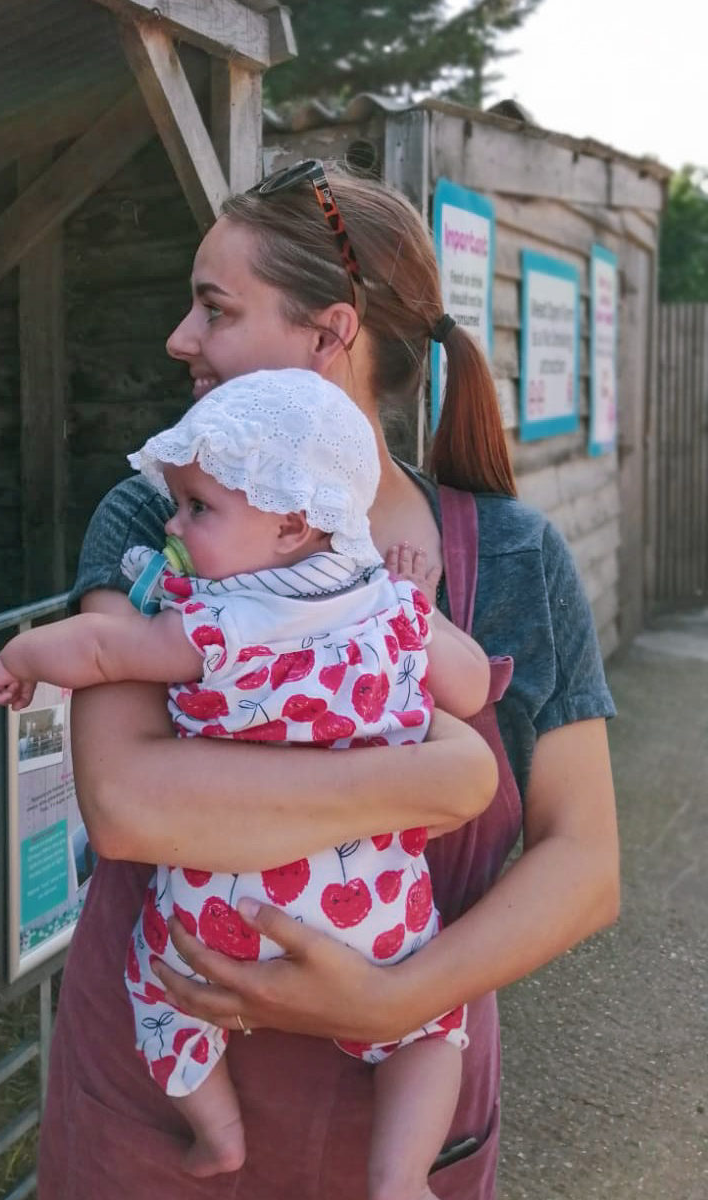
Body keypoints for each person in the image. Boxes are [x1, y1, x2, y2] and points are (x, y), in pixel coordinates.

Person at [35, 159, 619, 1200]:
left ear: (328, 334)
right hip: (157, 1128)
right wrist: (447, 778)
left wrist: (396, 1000)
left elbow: (585, 863)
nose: (180, 338)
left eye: (214, 308)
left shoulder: (517, 558)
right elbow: (127, 805)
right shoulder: (159, 524)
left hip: (397, 1135)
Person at [0, 368, 493, 1198]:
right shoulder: (388, 609)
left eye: (197, 509)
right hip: (371, 911)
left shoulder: (217, 622)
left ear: (293, 524)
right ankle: (399, 1178)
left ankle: (216, 1130)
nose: (175, 524)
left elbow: (109, 652)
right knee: (434, 1029)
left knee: (157, 989)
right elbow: (468, 689)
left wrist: (22, 657)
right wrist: (418, 609)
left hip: (217, 918)